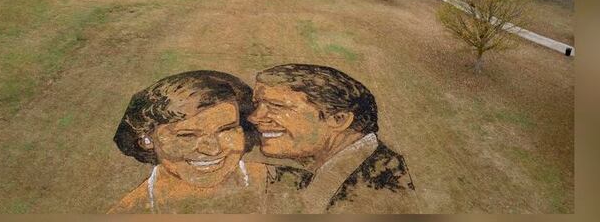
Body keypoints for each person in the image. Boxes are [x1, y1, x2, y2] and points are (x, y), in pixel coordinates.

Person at [249, 63, 418, 213]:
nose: (254, 117)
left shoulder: (384, 189)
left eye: (276, 106)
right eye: (257, 105)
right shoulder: (362, 170)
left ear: (339, 119)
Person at [109, 70, 268, 213]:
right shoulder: (128, 210)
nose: (213, 149)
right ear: (146, 139)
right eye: (187, 135)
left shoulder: (275, 181)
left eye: (226, 129)